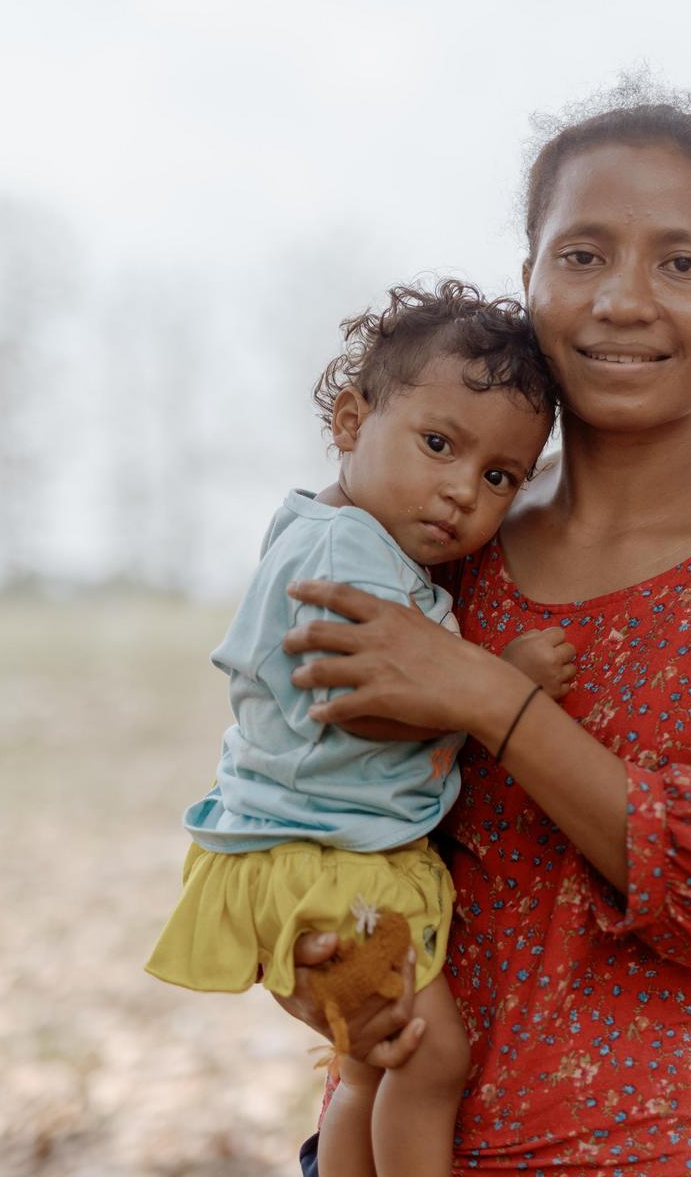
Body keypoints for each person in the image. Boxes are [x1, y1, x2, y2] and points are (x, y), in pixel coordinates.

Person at [278, 83, 691, 1176]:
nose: (624, 300)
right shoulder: (435, 540)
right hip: (384, 1134)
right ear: (531, 281)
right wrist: (318, 977)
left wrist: (486, 698)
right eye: (584, 254)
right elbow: (298, 793)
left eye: (683, 263)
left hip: (633, 1143)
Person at [146, 280, 573, 1177]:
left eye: (499, 478)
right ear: (350, 421)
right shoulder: (348, 554)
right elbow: (361, 703)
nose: (462, 492)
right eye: (437, 444)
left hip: (313, 851)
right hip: (325, 863)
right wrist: (497, 687)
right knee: (429, 1054)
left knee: (370, 1069)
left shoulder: (336, 529)